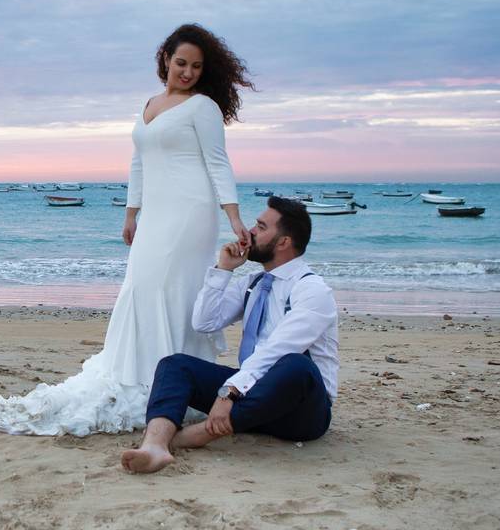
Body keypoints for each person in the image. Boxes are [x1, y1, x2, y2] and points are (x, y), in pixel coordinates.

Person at [0, 24, 254, 436]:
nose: (187, 72)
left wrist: (233, 217)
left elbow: (217, 162)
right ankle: (147, 375)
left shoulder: (203, 107)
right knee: (141, 286)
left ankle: (170, 379)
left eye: (196, 66)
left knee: (170, 288)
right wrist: (130, 214)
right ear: (165, 60)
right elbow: (138, 162)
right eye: (181, 63)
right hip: (156, 213)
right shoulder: (151, 103)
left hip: (191, 212)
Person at [121, 197, 339, 472]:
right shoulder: (254, 283)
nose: (249, 232)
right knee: (175, 365)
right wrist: (223, 269)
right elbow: (204, 321)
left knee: (296, 366)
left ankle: (195, 435)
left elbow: (279, 350)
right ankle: (155, 445)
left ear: (283, 242)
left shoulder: (312, 290)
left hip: (302, 411)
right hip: (254, 400)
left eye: (260, 227)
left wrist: (228, 394)